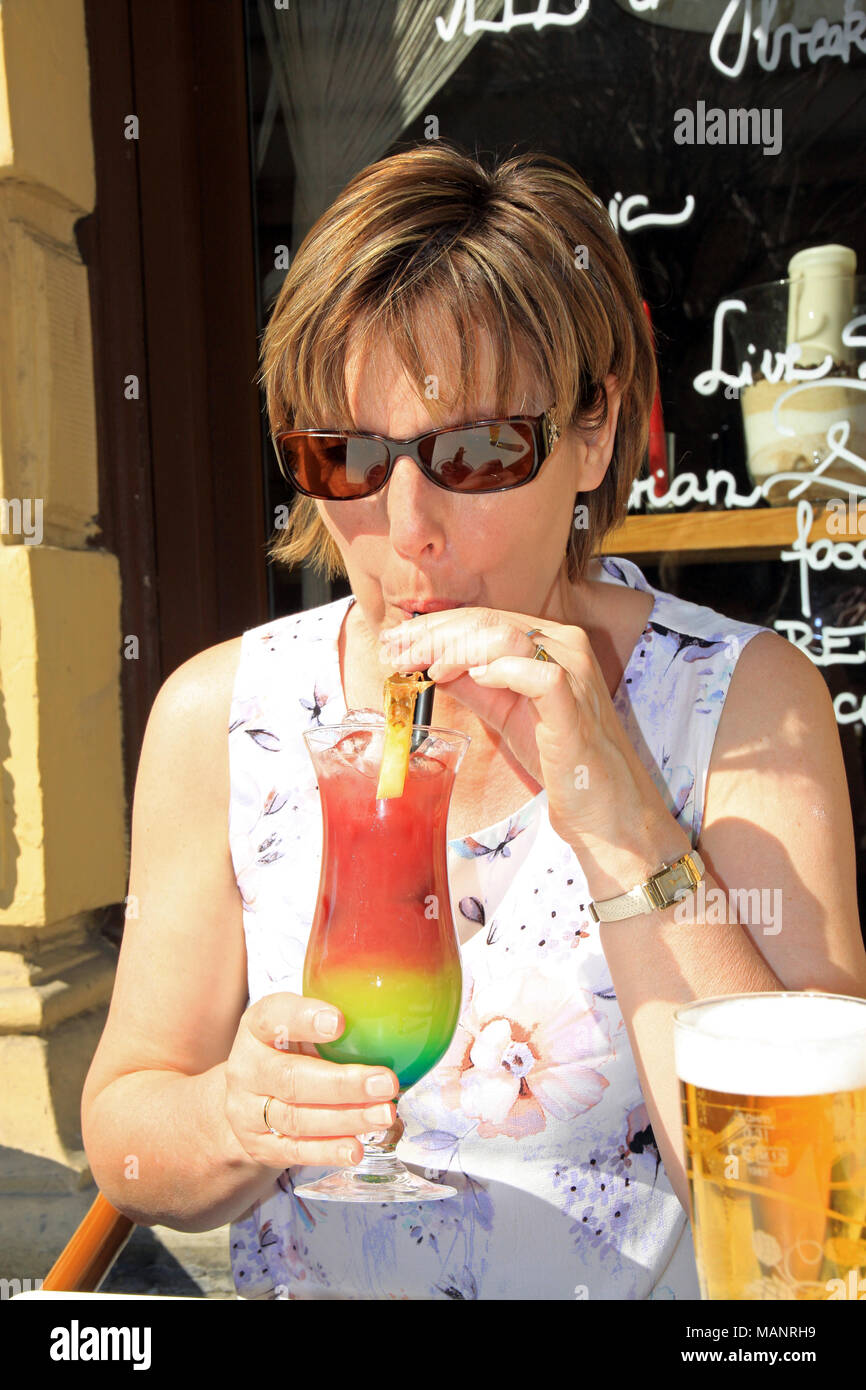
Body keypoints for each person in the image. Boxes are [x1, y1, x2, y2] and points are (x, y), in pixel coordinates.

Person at [81, 142, 866, 1300]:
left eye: (477, 451)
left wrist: (626, 826)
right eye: (344, 456)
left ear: (590, 434)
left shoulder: (741, 708)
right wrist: (231, 1115)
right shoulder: (223, 717)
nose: (408, 529)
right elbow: (130, 1133)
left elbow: (803, 1215)